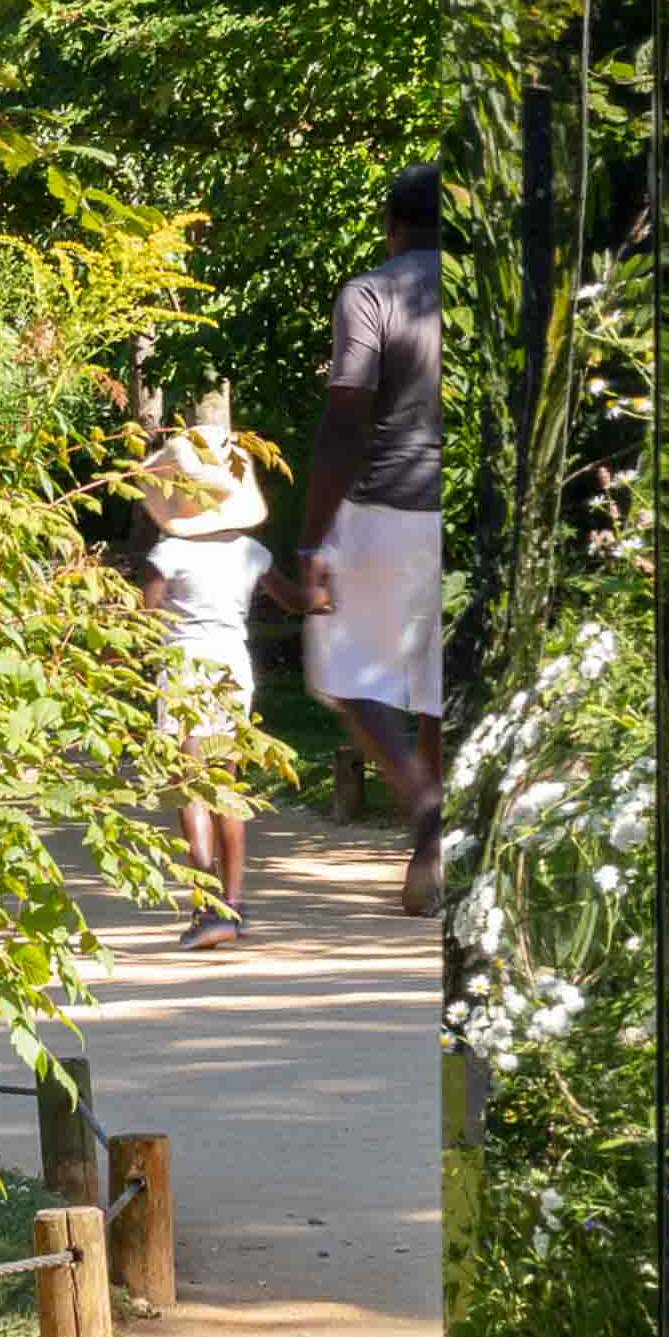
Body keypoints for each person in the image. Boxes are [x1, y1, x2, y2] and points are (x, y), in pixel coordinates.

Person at [299, 161, 445, 914]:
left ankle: (428, 811)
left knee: (345, 673)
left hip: (387, 508)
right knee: (439, 686)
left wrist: (310, 542)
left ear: (393, 226)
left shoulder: (372, 293)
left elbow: (346, 418)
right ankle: (433, 857)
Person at [139, 393, 303, 951]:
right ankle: (233, 902)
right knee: (227, 786)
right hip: (235, 669)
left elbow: (142, 621)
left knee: (192, 790)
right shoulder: (251, 553)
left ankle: (208, 909)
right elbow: (295, 601)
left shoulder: (170, 555)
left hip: (185, 670)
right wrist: (326, 594)